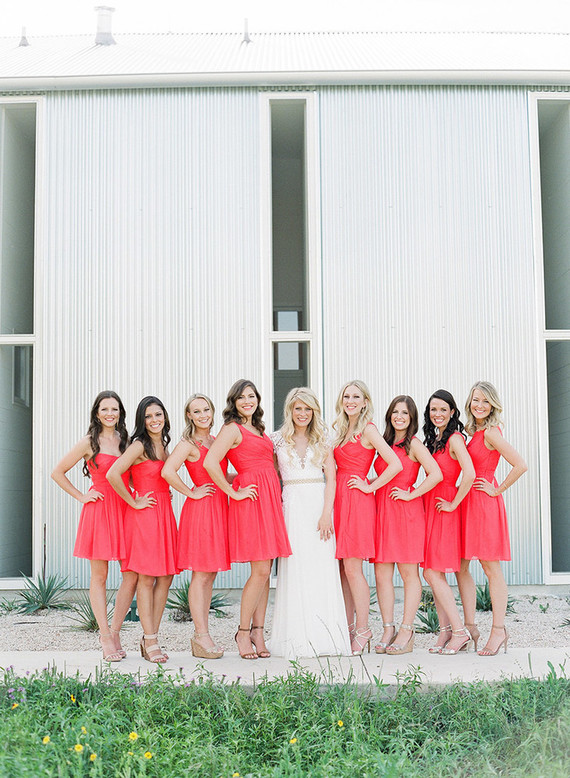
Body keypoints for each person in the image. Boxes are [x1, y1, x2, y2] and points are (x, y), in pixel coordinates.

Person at [204, 379, 291, 660]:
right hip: (251, 502)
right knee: (261, 571)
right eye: (241, 398)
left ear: (257, 400)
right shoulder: (232, 429)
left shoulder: (260, 429)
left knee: (266, 571)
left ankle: (258, 631)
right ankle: (242, 632)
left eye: (251, 396)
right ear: (234, 402)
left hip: (269, 500)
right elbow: (210, 463)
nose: (247, 401)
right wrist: (233, 491)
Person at [51, 390, 137, 662]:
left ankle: (116, 630)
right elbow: (57, 472)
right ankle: (104, 636)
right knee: (99, 575)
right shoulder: (89, 441)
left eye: (115, 409)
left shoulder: (127, 441)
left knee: (132, 574)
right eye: (105, 409)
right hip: (99, 510)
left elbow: (130, 476)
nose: (110, 414)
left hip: (125, 508)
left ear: (120, 412)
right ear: (96, 413)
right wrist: (81, 496)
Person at [270, 387, 351, 658]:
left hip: (318, 508)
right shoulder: (277, 440)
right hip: (291, 509)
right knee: (295, 569)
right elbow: (266, 473)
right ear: (290, 411)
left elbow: (333, 480)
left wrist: (327, 513)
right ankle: (295, 638)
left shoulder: (324, 439)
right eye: (298, 408)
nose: (302, 413)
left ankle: (327, 638)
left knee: (321, 569)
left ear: (314, 411)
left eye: (307, 409)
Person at [456, 381, 527, 656]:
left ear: (493, 405)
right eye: (475, 400)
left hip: (484, 504)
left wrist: (497, 488)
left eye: (485, 401)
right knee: (461, 565)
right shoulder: (471, 432)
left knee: (489, 567)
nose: (479, 406)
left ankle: (498, 630)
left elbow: (521, 464)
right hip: (467, 502)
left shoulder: (491, 432)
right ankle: (470, 626)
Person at [332, 380, 402, 655]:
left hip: (357, 502)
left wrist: (370, 485)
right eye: (346, 396)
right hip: (339, 499)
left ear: (365, 402)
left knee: (353, 568)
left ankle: (363, 628)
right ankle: (349, 627)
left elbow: (394, 464)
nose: (350, 400)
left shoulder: (369, 429)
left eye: (356, 397)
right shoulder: (340, 429)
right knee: (342, 571)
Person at [107, 396, 179, 664]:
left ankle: (151, 634)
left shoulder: (164, 445)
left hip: (164, 514)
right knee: (146, 578)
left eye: (158, 414)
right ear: (142, 420)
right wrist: (134, 500)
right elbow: (114, 474)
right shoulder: (139, 445)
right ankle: (150, 640)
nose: (154, 420)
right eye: (148, 416)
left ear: (165, 417)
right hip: (145, 515)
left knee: (166, 577)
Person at [372, 395, 442, 655]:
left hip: (406, 513)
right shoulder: (384, 441)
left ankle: (407, 629)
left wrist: (412, 494)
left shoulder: (413, 443)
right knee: (381, 574)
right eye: (395, 412)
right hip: (382, 511)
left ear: (411, 418)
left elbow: (435, 473)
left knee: (408, 574)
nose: (399, 417)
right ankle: (388, 628)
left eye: (405, 413)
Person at [162, 393, 230, 659]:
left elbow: (221, 473)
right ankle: (201, 636)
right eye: (196, 411)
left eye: (206, 410)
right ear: (189, 415)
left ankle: (203, 634)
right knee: (201, 574)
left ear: (212, 412)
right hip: (201, 510)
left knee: (210, 573)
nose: (203, 415)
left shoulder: (215, 440)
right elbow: (168, 471)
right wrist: (190, 492)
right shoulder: (189, 443)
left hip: (219, 507)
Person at [422, 390, 475, 655]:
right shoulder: (434, 440)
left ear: (452, 412)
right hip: (430, 506)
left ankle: (459, 631)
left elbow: (470, 473)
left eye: (443, 409)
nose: (438, 414)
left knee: (431, 572)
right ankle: (445, 632)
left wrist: (454, 504)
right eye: (433, 410)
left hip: (445, 506)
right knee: (434, 572)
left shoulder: (454, 439)